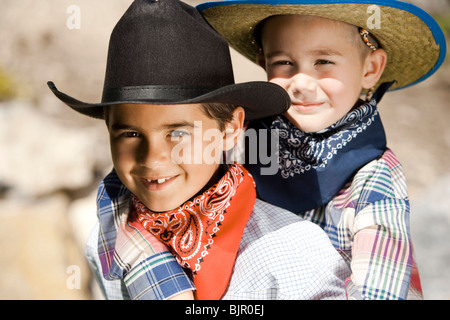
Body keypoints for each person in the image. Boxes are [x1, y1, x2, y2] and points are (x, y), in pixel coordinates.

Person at [48, 0, 351, 300]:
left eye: (178, 132)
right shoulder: (108, 240)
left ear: (230, 129)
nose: (152, 158)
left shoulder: (295, 256)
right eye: (129, 133)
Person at [197, 0, 447, 299]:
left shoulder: (374, 176)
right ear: (264, 63)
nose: (301, 83)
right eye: (284, 63)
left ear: (371, 68)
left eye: (324, 62)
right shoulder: (243, 138)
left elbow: (377, 292)